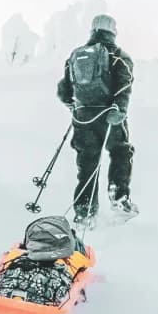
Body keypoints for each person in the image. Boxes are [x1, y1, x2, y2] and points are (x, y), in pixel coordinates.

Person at [56, 14, 137, 227]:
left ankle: (85, 213)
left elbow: (63, 90)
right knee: (121, 152)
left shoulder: (76, 55)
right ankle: (119, 198)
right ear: (113, 31)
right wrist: (119, 108)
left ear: (93, 30)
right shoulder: (119, 56)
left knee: (88, 165)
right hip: (109, 117)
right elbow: (124, 85)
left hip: (82, 119)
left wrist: (75, 106)